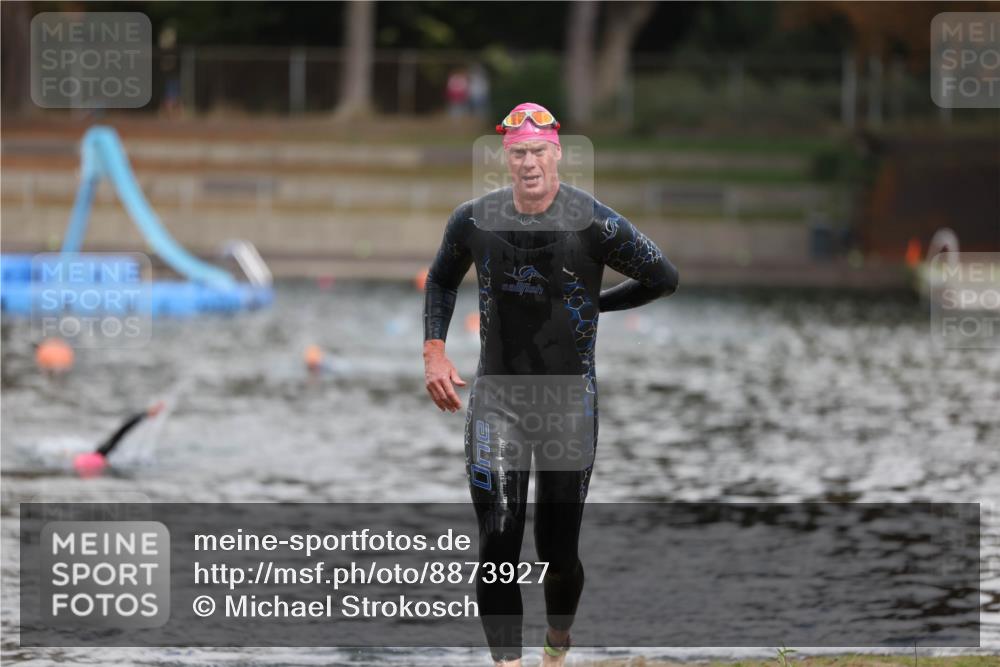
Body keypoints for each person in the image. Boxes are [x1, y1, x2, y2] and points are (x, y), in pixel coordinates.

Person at [422, 102, 679, 666]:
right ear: (505, 160)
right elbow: (441, 278)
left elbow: (663, 277)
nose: (529, 163)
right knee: (497, 542)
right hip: (497, 402)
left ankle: (557, 643)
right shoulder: (473, 219)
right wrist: (435, 351)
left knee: (557, 553)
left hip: (568, 405)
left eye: (539, 151)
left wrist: (598, 303)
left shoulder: (595, 223)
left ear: (557, 154)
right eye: (518, 154)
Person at [73, 401, 165, 478]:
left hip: (100, 453)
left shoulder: (105, 450)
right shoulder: (103, 453)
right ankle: (148, 412)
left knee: (121, 432)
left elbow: (124, 428)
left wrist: (146, 414)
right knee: (121, 432)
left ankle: (147, 412)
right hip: (99, 455)